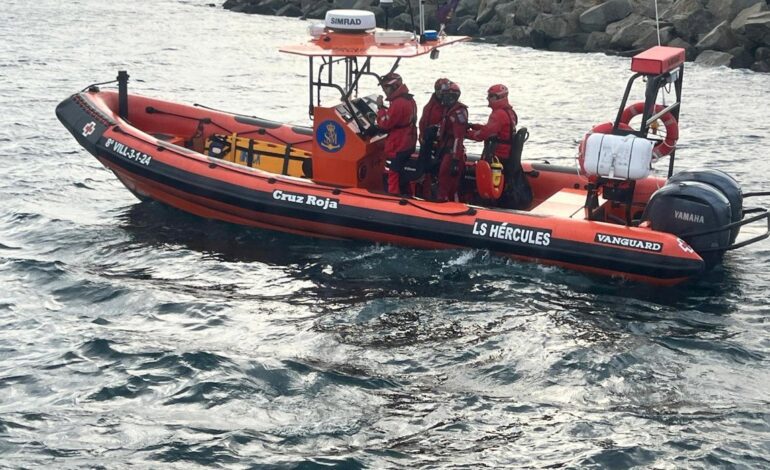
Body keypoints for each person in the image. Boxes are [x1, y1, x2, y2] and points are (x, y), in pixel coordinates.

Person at [467, 84, 526, 207]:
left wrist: (466, 134)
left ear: (498, 97)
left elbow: (484, 134)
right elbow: (497, 130)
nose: (487, 99)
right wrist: (474, 126)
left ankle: (488, 202)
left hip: (498, 157)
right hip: (508, 155)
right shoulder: (510, 113)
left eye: (490, 96)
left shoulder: (498, 115)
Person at [376, 72, 418, 195]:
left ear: (394, 87)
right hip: (408, 141)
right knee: (401, 170)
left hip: (400, 142)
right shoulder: (408, 99)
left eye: (386, 88)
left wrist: (380, 109)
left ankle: (393, 194)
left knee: (394, 171)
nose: (384, 91)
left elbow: (385, 124)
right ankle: (406, 192)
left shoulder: (399, 103)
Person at [415, 78, 451, 198]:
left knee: (439, 173)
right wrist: (422, 136)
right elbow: (423, 122)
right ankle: (425, 194)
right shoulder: (430, 106)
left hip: (442, 145)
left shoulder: (449, 107)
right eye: (441, 91)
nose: (443, 94)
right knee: (426, 171)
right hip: (430, 144)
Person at [435, 82, 468, 202]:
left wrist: (455, 159)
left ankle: (447, 205)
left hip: (452, 154)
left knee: (447, 183)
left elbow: (458, 138)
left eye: (445, 95)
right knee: (442, 180)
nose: (442, 97)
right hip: (445, 150)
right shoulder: (448, 110)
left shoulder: (458, 112)